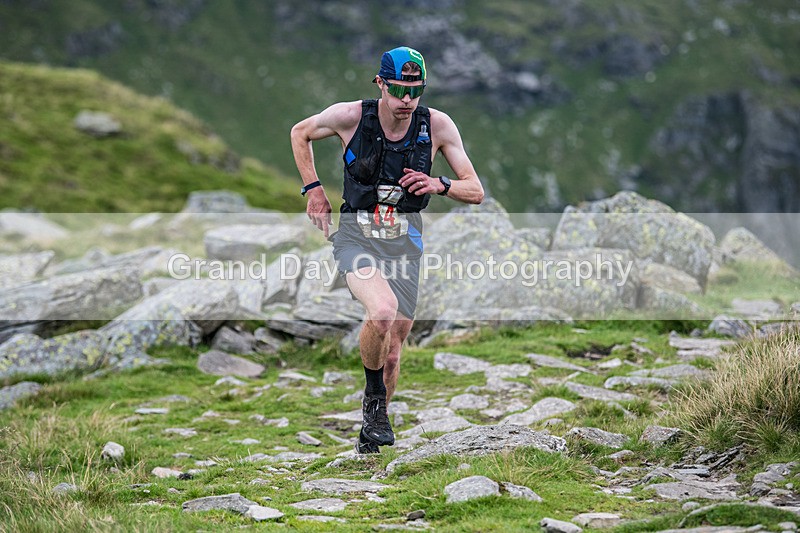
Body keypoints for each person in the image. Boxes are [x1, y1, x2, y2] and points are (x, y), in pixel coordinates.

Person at [290, 46, 484, 453]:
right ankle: (374, 404)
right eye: (398, 90)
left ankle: (370, 438)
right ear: (380, 83)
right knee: (381, 312)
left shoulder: (438, 126)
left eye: (416, 90)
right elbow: (299, 132)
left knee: (393, 355)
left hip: (405, 244)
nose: (407, 101)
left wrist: (439, 184)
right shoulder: (350, 116)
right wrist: (314, 190)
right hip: (356, 236)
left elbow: (476, 190)